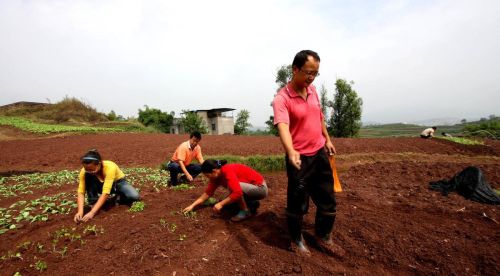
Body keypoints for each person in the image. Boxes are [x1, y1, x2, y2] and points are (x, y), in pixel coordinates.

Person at [272, 50, 339, 256]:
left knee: (327, 197)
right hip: (299, 158)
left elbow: (319, 117)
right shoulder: (282, 99)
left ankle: (324, 236)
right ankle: (296, 239)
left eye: (315, 73)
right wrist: (290, 150)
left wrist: (327, 139)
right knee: (298, 200)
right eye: (308, 72)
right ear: (295, 69)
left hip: (319, 153)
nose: (311, 77)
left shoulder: (313, 90)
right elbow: (282, 125)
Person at [183, 159, 268, 222]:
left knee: (233, 191)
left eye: (207, 175)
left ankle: (245, 211)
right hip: (248, 189)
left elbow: (237, 192)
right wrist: (192, 206)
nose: (207, 178)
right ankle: (252, 204)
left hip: (260, 189)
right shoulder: (215, 178)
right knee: (228, 205)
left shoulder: (227, 170)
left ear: (214, 171)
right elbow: (207, 193)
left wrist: (220, 204)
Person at [74, 149, 140, 223]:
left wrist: (92, 213)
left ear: (99, 164)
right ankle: (93, 203)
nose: (89, 171)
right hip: (100, 184)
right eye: (86, 169)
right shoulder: (85, 171)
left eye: (92, 170)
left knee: (134, 196)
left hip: (117, 183)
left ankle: (118, 197)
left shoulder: (110, 167)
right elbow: (81, 192)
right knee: (88, 177)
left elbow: (106, 193)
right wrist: (80, 212)